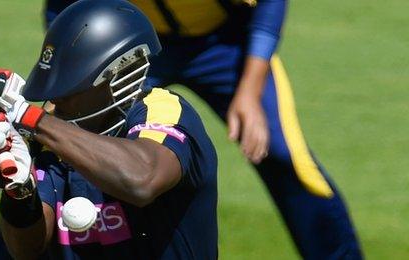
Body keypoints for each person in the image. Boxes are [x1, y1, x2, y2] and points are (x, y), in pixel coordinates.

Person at [30, 0, 363, 259]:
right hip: (135, 48)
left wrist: (249, 91)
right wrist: (66, 92)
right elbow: (64, 8)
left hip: (224, 43)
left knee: (285, 157)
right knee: (52, 158)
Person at [0, 0, 219, 259]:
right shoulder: (52, 138)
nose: (55, 100)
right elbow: (26, 248)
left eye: (69, 87)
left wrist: (28, 117)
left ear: (113, 76)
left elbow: (142, 180)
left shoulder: (164, 110)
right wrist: (19, 190)